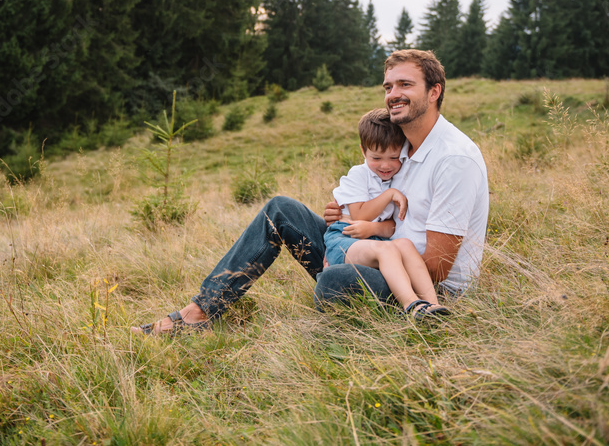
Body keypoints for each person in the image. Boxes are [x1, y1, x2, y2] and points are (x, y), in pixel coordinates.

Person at [133, 49, 488, 335]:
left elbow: (439, 268)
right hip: (374, 251)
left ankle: (417, 313)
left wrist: (363, 254)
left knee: (336, 280)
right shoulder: (403, 150)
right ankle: (202, 310)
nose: (393, 94)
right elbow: (380, 208)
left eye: (405, 85)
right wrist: (348, 221)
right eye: (388, 87)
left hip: (422, 286)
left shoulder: (453, 158)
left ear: (434, 91)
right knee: (281, 209)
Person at [324, 107, 450, 320]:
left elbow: (393, 224)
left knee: (404, 245)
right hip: (344, 238)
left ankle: (433, 306)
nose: (385, 165)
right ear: (363, 151)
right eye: (376, 157)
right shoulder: (359, 175)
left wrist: (374, 228)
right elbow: (359, 215)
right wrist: (390, 194)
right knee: (387, 249)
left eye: (393, 157)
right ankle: (412, 305)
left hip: (376, 240)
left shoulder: (397, 177)